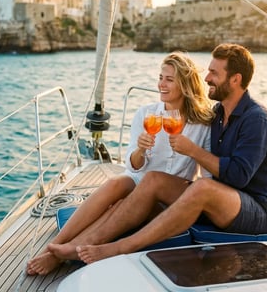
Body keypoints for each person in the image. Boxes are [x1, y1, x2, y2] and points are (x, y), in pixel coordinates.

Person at [75, 43, 267, 264]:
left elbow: (238, 176)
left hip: (258, 209)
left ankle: (119, 247)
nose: (207, 78)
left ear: (235, 79)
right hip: (220, 199)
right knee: (152, 180)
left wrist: (192, 151)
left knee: (202, 187)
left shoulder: (256, 119)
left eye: (214, 73)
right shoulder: (218, 113)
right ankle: (74, 246)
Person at [26, 51, 214, 275]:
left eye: (169, 79)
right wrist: (142, 150)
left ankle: (62, 254)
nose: (161, 84)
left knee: (119, 205)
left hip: (169, 197)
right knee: (118, 183)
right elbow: (134, 165)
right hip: (139, 181)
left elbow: (207, 176)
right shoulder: (147, 114)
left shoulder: (203, 124)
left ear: (185, 85)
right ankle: (56, 245)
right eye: (160, 77)